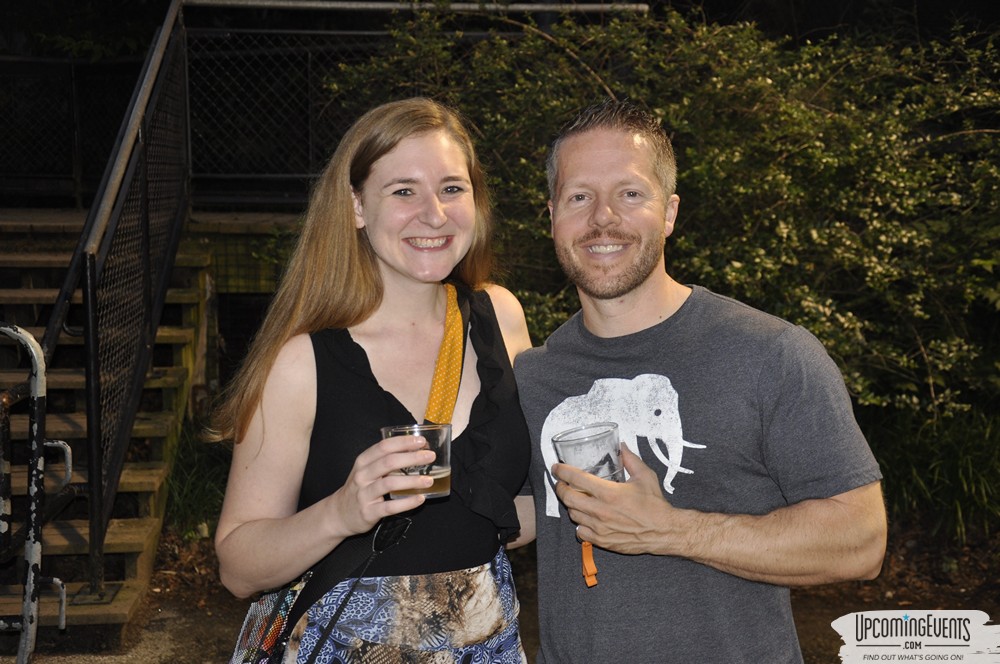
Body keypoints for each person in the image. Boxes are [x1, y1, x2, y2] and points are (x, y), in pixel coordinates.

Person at [511, 99, 888, 663]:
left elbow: (861, 542)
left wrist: (672, 530)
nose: (603, 218)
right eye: (579, 197)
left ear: (669, 212)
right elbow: (510, 519)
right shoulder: (533, 375)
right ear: (552, 218)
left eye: (630, 193)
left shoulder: (771, 354)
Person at [211, 97, 533, 663]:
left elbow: (509, 516)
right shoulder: (301, 364)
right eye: (403, 190)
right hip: (341, 645)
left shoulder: (500, 319)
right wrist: (341, 511)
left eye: (452, 188)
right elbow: (237, 567)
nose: (433, 214)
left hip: (484, 644)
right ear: (357, 206)